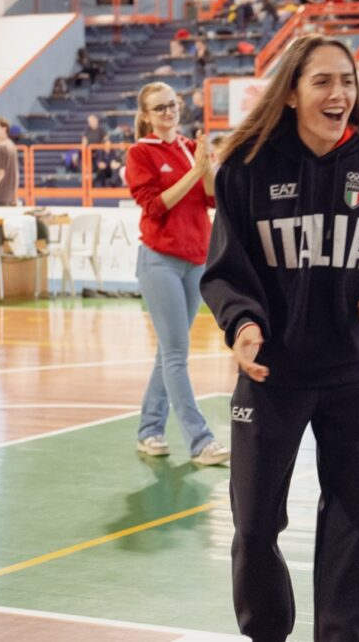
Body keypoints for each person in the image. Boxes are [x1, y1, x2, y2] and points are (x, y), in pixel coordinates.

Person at [200, 35, 359, 642]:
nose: (340, 93)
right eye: (323, 81)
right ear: (291, 93)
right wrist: (243, 326)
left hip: (357, 375)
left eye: (347, 81)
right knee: (254, 525)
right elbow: (226, 271)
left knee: (354, 523)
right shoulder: (247, 170)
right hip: (272, 374)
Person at [125, 82, 229, 466]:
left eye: (172, 104)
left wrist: (208, 167)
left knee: (169, 352)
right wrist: (195, 171)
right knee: (175, 354)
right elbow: (155, 206)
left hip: (196, 260)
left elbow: (212, 198)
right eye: (160, 108)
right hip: (160, 262)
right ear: (146, 115)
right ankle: (200, 440)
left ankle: (149, 430)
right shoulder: (140, 153)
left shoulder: (189, 148)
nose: (169, 112)